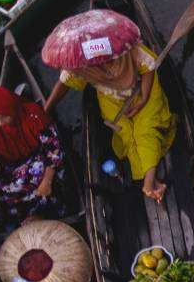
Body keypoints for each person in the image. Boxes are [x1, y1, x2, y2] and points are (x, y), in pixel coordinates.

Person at [45, 28, 176, 204]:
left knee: (145, 130)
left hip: (142, 91)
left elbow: (149, 68)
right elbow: (64, 83)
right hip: (112, 100)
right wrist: (46, 109)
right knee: (126, 133)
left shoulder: (125, 47)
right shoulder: (80, 64)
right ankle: (148, 175)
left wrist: (143, 99)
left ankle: (149, 181)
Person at [0, 85, 66, 232]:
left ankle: (38, 212)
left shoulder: (33, 115)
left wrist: (47, 182)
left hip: (39, 160)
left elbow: (54, 152)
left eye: (2, 117)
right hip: (13, 167)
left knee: (38, 178)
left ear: (10, 109)